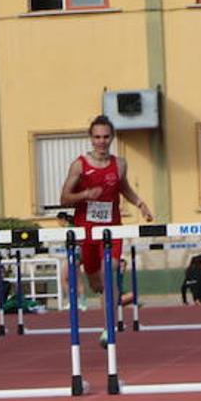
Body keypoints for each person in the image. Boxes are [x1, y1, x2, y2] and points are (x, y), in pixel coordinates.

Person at [59, 115, 153, 303]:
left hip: (112, 228)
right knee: (97, 283)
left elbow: (124, 188)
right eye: (97, 137)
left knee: (109, 270)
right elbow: (64, 199)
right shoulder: (79, 165)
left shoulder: (119, 164)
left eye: (106, 137)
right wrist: (85, 194)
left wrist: (140, 204)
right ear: (91, 138)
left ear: (112, 137)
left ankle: (108, 328)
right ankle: (102, 298)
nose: (102, 141)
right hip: (86, 229)